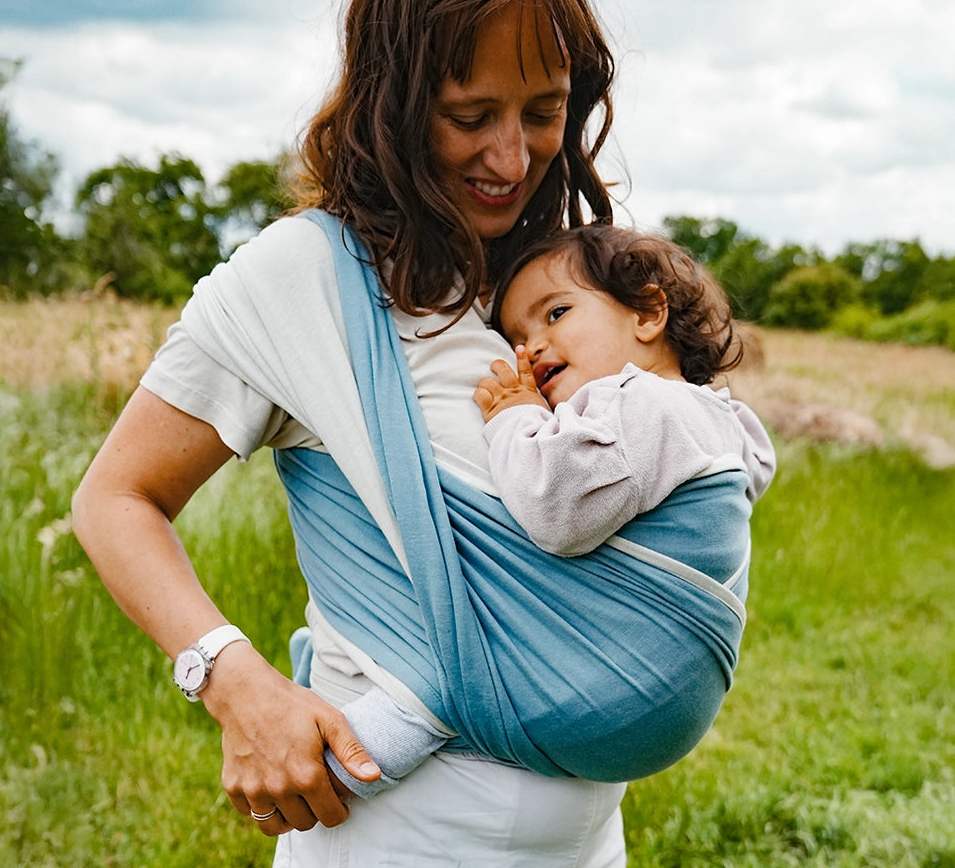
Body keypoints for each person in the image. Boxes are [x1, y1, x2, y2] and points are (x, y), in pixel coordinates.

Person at [72, 0, 635, 868]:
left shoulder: (563, 284)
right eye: (471, 117)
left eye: (542, 113)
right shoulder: (302, 280)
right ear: (396, 100)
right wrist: (232, 679)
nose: (512, 156)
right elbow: (117, 497)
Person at [322, 224, 775, 799]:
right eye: (515, 334)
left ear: (648, 313)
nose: (529, 347)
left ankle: (338, 770)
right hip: (669, 704)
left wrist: (515, 415)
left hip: (613, 687)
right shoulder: (716, 417)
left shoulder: (643, 405)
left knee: (452, 676)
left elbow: (554, 510)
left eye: (555, 313)